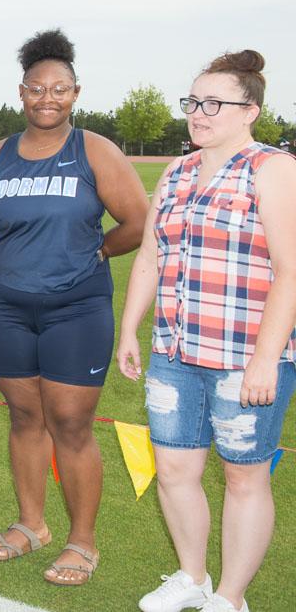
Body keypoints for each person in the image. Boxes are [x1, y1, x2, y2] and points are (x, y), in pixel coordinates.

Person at [0, 29, 148, 586]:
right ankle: (32, 525)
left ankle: (82, 541)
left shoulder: (94, 150)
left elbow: (138, 221)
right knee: (24, 417)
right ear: (21, 93)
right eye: (37, 89)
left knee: (70, 422)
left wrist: (100, 250)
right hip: (9, 308)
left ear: (75, 92)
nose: (48, 98)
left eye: (59, 89)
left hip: (77, 309)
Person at [117, 50, 296, 612]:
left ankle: (230, 596)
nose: (198, 113)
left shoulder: (273, 169)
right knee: (173, 469)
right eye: (193, 102)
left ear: (250, 111)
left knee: (244, 478)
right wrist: (129, 330)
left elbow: (292, 269)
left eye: (213, 103)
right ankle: (191, 577)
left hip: (246, 355)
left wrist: (267, 358)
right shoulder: (176, 172)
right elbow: (149, 258)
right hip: (174, 349)